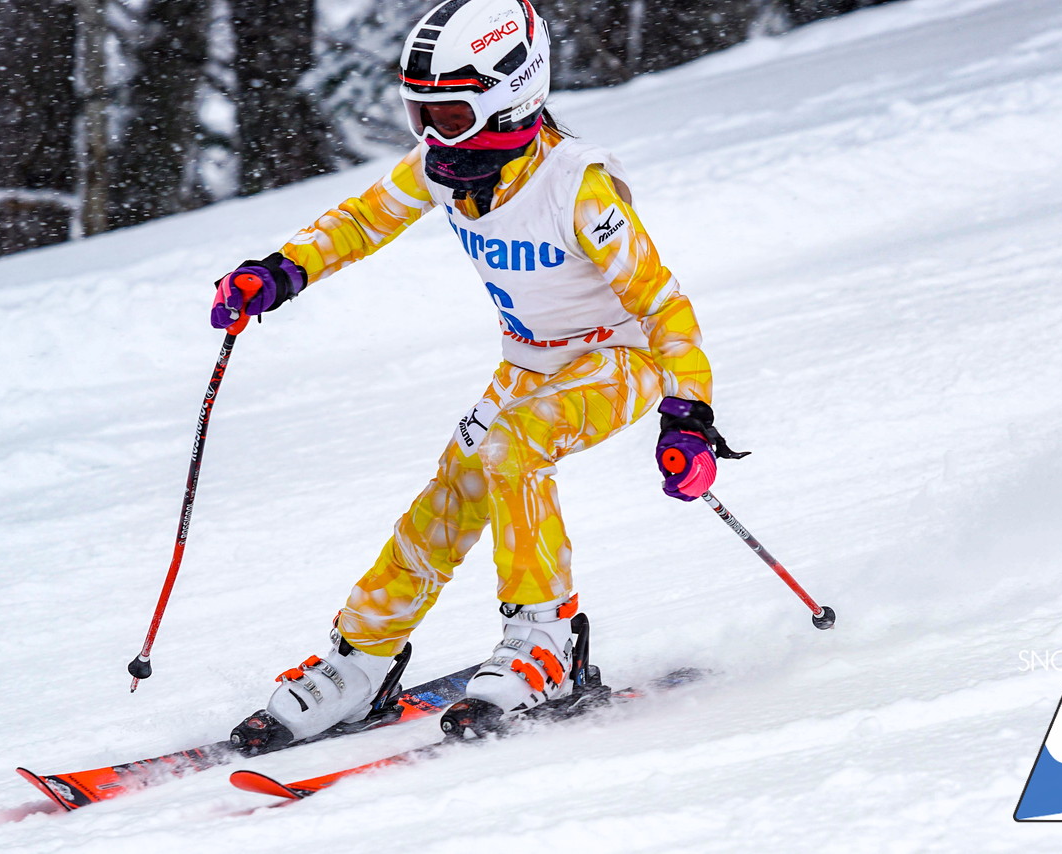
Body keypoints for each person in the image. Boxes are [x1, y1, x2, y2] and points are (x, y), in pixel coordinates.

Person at [213, 0, 744, 751]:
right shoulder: (445, 169)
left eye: (453, 115)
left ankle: (545, 643)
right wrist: (282, 270)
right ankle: (361, 657)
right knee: (455, 487)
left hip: (622, 360)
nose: (434, 138)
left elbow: (664, 306)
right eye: (419, 113)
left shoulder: (575, 186)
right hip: (530, 363)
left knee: (514, 447)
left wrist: (687, 414)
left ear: (512, 98)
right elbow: (364, 219)